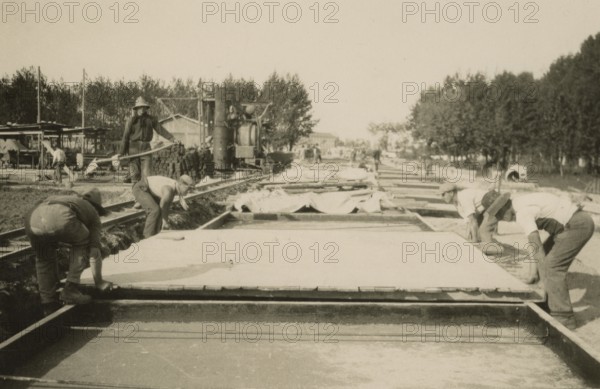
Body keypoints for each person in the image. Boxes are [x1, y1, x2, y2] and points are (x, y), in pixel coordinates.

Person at [480, 190, 594, 329]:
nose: (500, 218)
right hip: (570, 224)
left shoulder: (522, 213)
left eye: (499, 214)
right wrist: (533, 274)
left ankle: (564, 318)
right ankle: (548, 302)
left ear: (504, 206)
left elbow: (536, 247)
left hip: (578, 225)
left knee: (552, 267)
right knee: (546, 259)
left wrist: (542, 277)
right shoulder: (519, 202)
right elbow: (535, 248)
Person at [24, 188, 113, 316]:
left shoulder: (69, 200)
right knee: (84, 242)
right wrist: (99, 282)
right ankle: (71, 289)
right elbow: (94, 251)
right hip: (61, 216)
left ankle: (48, 303)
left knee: (44, 258)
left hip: (32, 217)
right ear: (97, 207)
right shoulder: (92, 213)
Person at [116, 97, 176, 186]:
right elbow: (125, 137)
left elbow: (161, 130)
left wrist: (172, 139)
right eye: (139, 107)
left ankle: (146, 195)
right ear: (136, 109)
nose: (141, 109)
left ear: (146, 108)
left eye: (143, 107)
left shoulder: (151, 120)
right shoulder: (131, 121)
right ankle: (136, 196)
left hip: (146, 149)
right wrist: (120, 153)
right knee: (135, 175)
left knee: (147, 177)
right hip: (133, 150)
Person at [133, 175, 194, 239]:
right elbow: (163, 205)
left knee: (159, 212)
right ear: (181, 184)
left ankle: (156, 234)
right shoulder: (169, 190)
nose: (189, 191)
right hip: (141, 188)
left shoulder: (175, 187)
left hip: (149, 190)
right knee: (154, 210)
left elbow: (167, 206)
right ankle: (147, 237)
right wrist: (164, 221)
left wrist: (165, 221)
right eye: (189, 188)